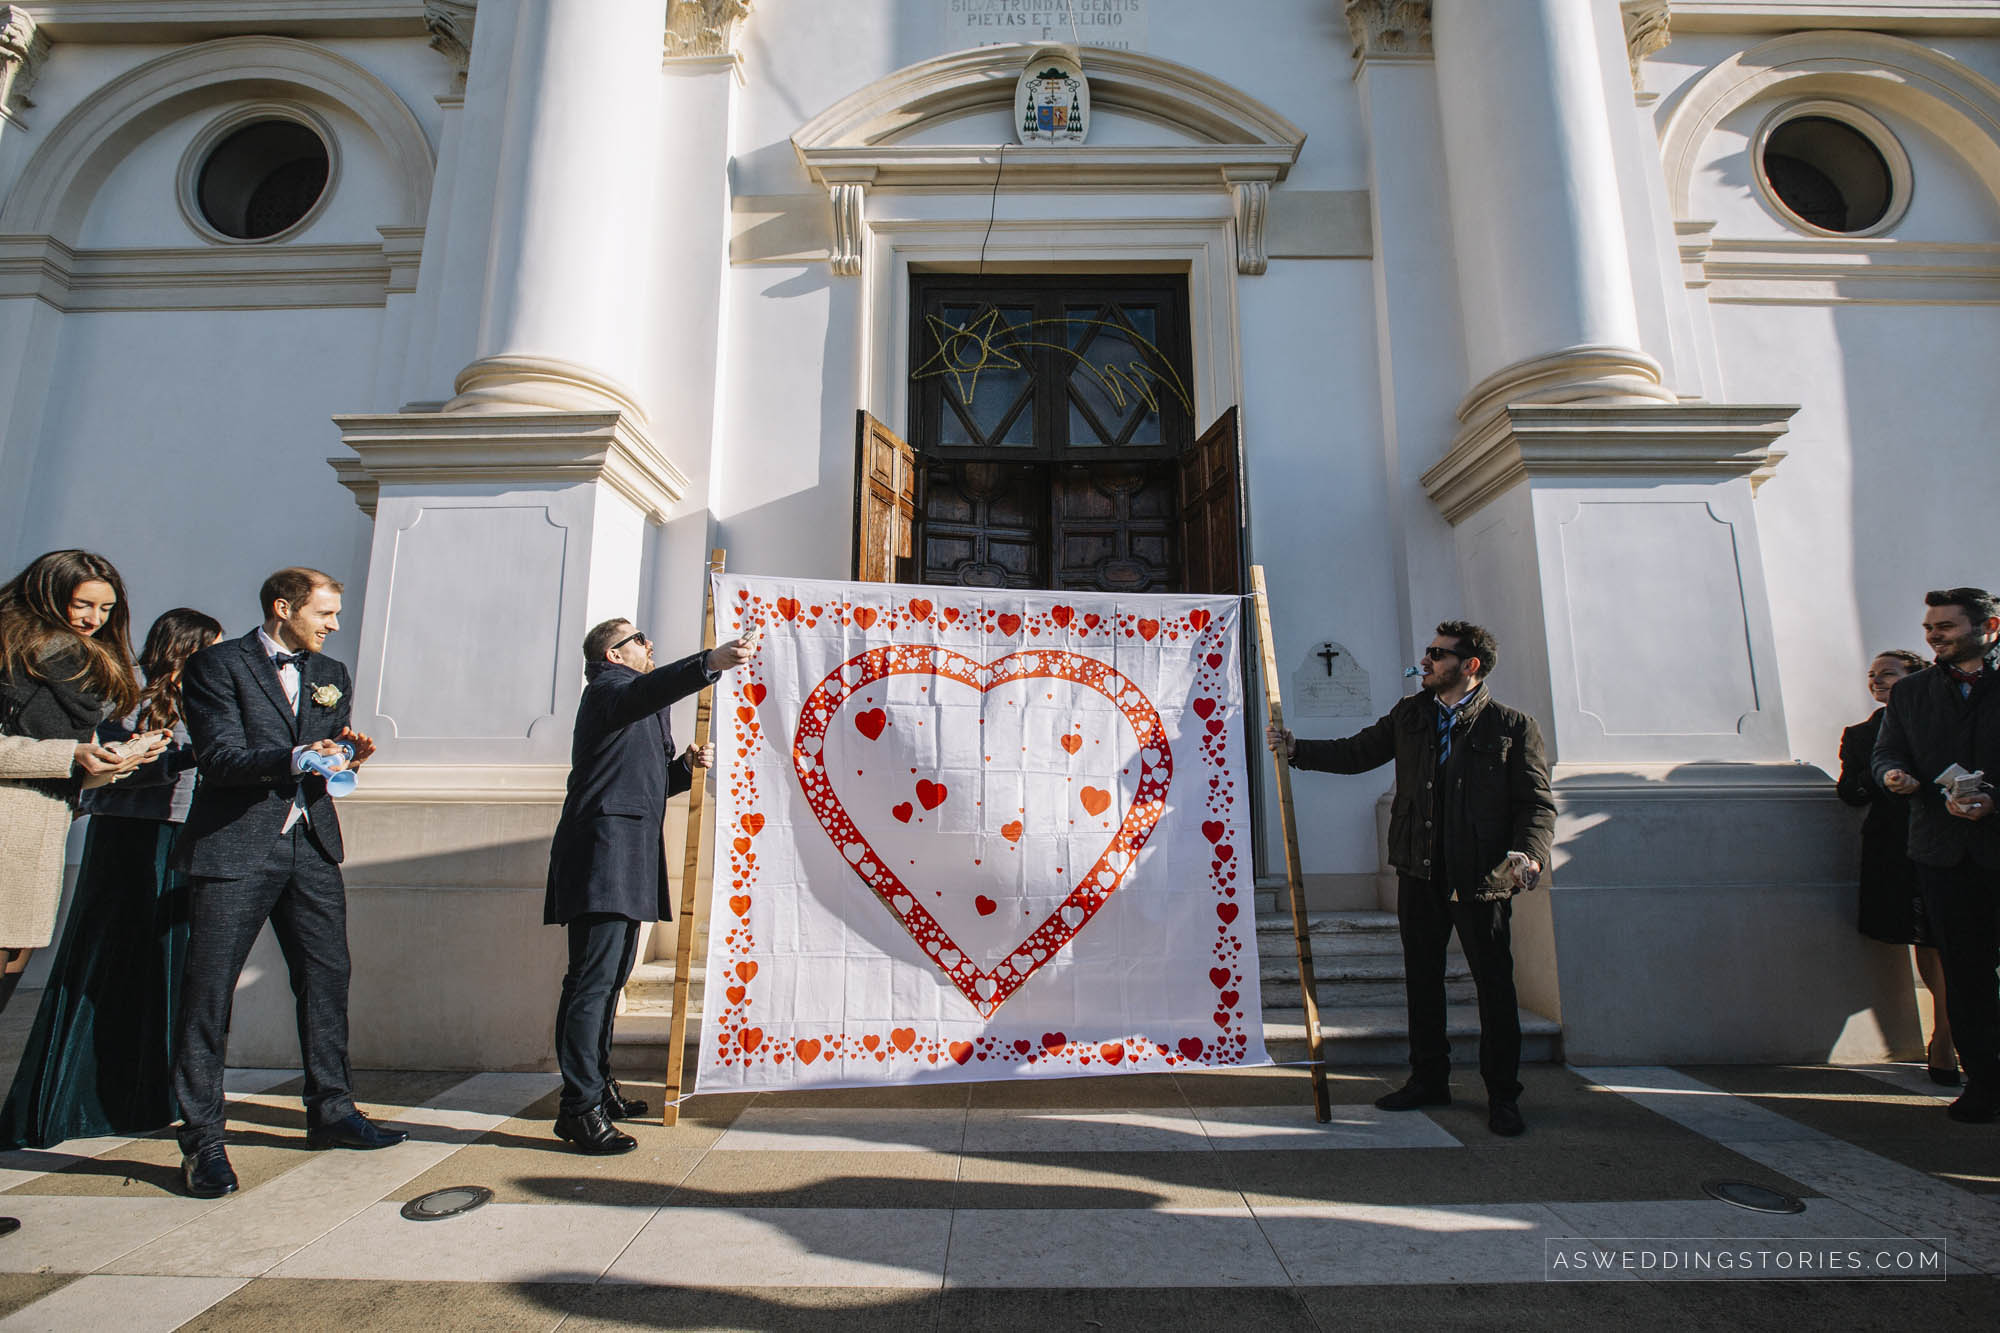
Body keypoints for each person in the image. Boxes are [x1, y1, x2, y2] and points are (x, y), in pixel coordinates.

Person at [1268, 620, 1554, 1137]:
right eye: (1427, 652)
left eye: (1438, 654)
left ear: (1470, 666)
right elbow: (1359, 751)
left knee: (1494, 990)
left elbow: (1535, 804)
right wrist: (1297, 749)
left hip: (1480, 880)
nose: (1426, 661)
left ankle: (1503, 1096)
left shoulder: (1511, 727)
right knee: (1422, 984)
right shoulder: (1412, 714)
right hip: (1419, 873)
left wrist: (1529, 855)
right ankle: (1428, 1079)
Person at [171, 567, 394, 1199]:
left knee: (327, 975)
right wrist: (293, 758)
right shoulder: (217, 666)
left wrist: (344, 756)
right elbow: (217, 759)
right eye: (324, 614)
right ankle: (203, 1139)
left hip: (312, 844)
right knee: (210, 991)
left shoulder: (331, 676)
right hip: (237, 846)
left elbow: (322, 750)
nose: (333, 626)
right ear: (282, 607)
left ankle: (332, 1109)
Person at [1, 608, 223, 1148]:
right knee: (107, 960)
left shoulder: (203, 700)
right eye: (210, 648)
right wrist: (170, 756)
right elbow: (103, 772)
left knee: (163, 966)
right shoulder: (130, 699)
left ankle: (151, 1095)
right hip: (126, 838)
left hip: (178, 837)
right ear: (184, 647)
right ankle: (74, 1101)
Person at [544, 617, 752, 1154]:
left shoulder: (639, 702)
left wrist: (683, 766)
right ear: (613, 655)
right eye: (638, 639)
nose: (649, 644)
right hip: (601, 853)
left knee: (612, 979)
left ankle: (600, 1087)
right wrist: (710, 662)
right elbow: (650, 688)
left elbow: (652, 780)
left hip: (630, 852)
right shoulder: (610, 690)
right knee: (590, 982)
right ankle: (579, 1107)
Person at [1875, 587, 2000, 1124]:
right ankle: (1984, 1084)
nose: (1934, 636)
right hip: (1943, 853)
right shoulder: (1913, 693)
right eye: (1930, 628)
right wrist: (1892, 776)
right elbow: (1887, 751)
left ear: (1988, 628)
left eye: (1945, 627)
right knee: (1965, 974)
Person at [1837, 648, 1955, 1085]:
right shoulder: (1861, 733)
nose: (1877, 680)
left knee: (1956, 939)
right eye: (1872, 675)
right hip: (1897, 847)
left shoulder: (1946, 719)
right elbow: (1850, 791)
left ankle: (1949, 1034)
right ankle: (1943, 1036)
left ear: (1916, 677)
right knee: (1927, 938)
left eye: (1888, 673)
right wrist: (1882, 776)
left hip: (1953, 837)